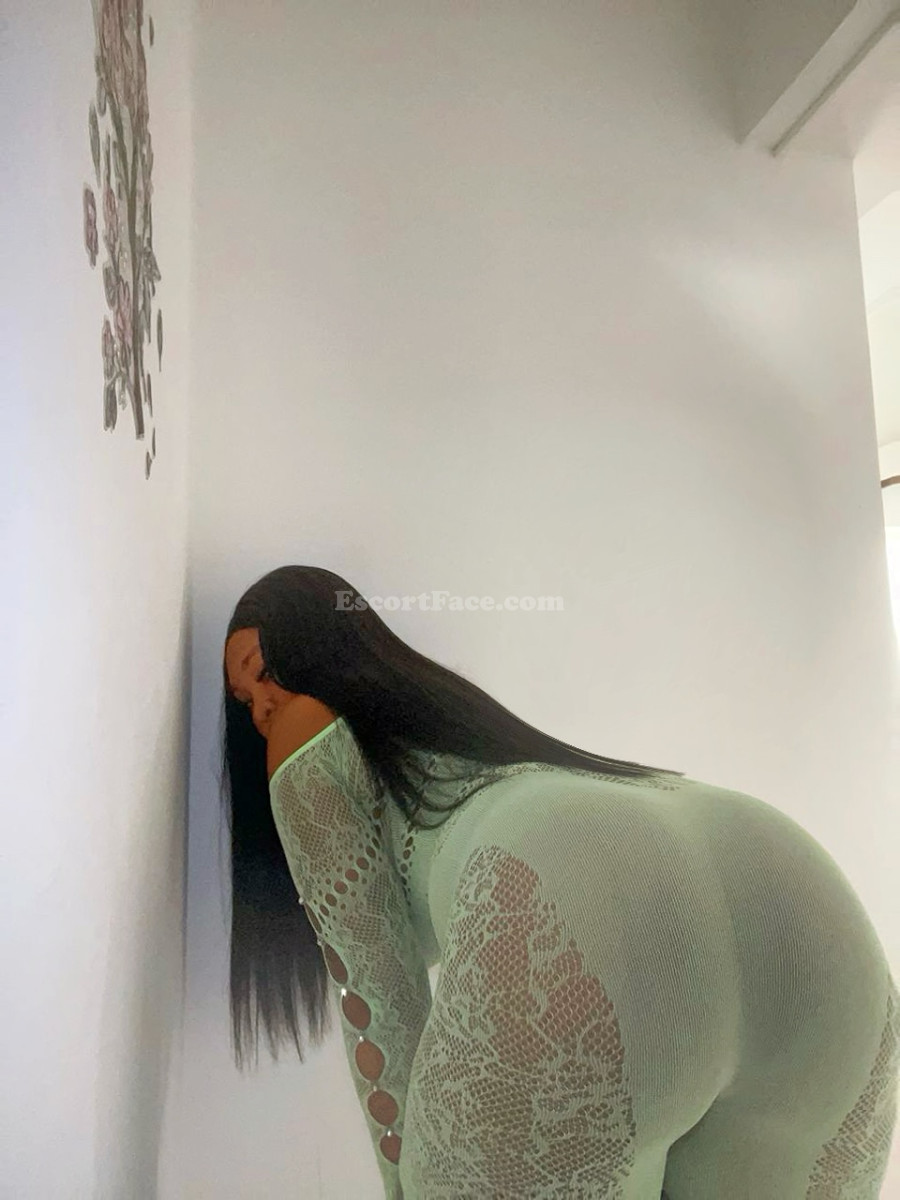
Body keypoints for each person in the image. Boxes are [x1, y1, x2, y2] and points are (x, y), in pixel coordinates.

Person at [220, 565, 899, 1199]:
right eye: (245, 701)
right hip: (790, 881)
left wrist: (408, 1185)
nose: (261, 711)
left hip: (569, 896)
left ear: (318, 652)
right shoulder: (468, 731)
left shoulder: (305, 729)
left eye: (265, 675)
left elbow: (375, 986)